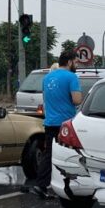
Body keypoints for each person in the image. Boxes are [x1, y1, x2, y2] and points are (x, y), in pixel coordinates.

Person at [33, 51, 82, 198]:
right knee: (70, 155)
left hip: (50, 123)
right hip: (66, 124)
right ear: (69, 62)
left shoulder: (47, 78)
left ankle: (41, 185)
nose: (77, 65)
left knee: (49, 155)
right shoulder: (72, 77)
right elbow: (77, 100)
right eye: (76, 62)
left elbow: (45, 99)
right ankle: (69, 188)